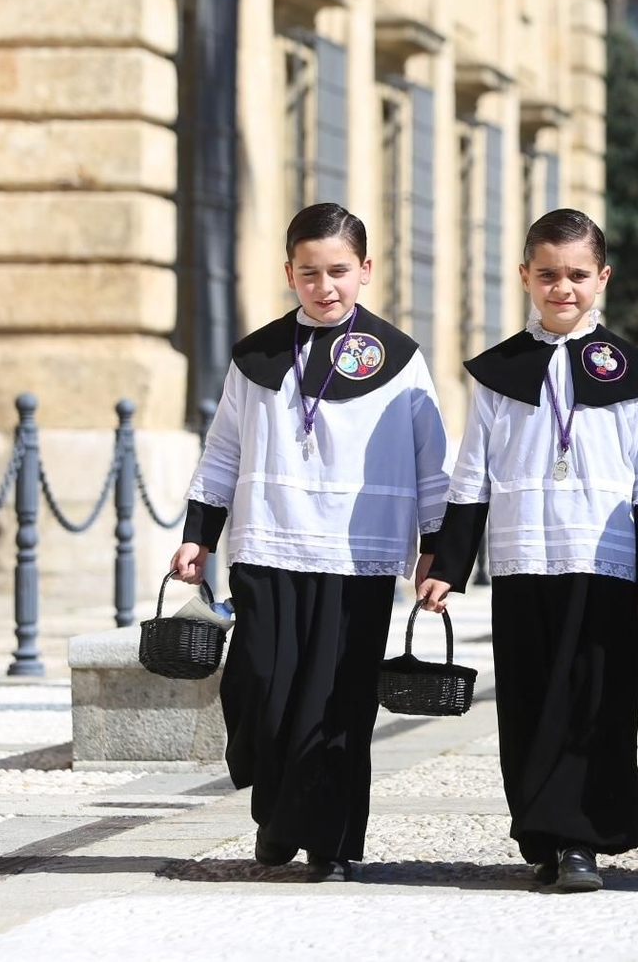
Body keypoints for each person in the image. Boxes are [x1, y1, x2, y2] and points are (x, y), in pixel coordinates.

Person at [170, 202, 449, 883]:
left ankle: (325, 837)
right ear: (288, 273)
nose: (326, 286)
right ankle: (279, 808)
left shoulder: (401, 359)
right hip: (268, 541)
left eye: (339, 271)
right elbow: (223, 450)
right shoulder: (256, 355)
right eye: (310, 272)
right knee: (258, 683)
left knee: (337, 701)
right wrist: (197, 537)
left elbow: (431, 460)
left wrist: (438, 546)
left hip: (360, 554)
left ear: (366, 270)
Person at [417, 208, 638, 893]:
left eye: (578, 275)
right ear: (527, 276)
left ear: (603, 279)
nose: (564, 287)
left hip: (605, 561)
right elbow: (472, 472)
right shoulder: (501, 372)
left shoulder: (632, 375)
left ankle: (582, 841)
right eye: (549, 274)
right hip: (524, 557)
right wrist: (449, 562)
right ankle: (542, 832)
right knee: (530, 702)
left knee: (597, 702)